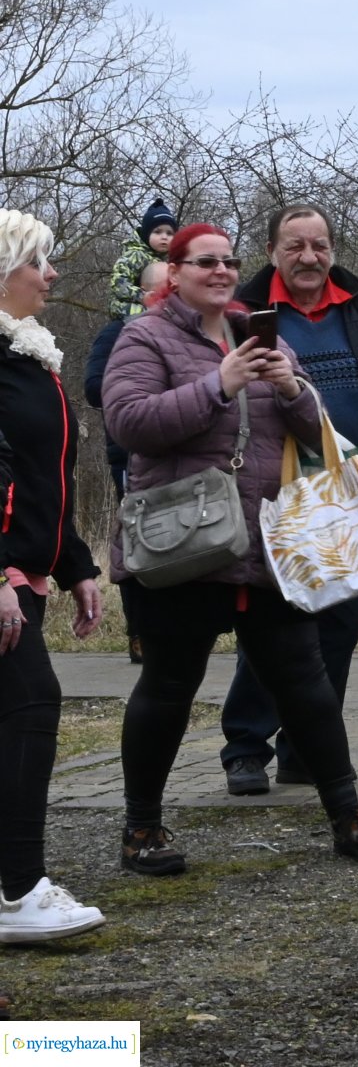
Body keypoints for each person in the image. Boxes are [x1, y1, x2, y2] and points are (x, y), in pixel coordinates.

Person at [104, 222, 358, 871]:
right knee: (168, 687)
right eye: (204, 261)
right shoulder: (144, 336)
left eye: (228, 261)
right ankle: (142, 829)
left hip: (263, 546)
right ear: (174, 272)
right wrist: (220, 383)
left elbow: (315, 433)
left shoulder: (255, 329)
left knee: (305, 682)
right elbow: (130, 424)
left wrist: (292, 388)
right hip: (184, 548)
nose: (219, 271)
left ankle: (347, 813)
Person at [218, 204, 358, 794]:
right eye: (295, 245)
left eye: (319, 245)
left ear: (332, 249)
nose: (309, 257)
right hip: (271, 491)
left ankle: (307, 747)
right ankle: (246, 747)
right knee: (272, 621)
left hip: (353, 492)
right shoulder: (242, 312)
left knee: (339, 623)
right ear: (273, 250)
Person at [0, 209, 108, 943]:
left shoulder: (33, 359)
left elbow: (47, 476)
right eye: (40, 260)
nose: (53, 273)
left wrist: (74, 566)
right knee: (31, 711)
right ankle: (18, 892)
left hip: (25, 577)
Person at [84, 259, 169, 665]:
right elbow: (93, 388)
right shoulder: (115, 332)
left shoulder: (198, 331)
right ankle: (141, 634)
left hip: (185, 458)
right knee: (141, 543)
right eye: (165, 288)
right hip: (130, 455)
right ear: (146, 294)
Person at [107, 199, 176, 319]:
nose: (164, 237)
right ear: (146, 234)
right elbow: (118, 283)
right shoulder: (135, 255)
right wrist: (141, 296)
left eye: (169, 233)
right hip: (126, 307)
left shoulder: (166, 260)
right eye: (157, 232)